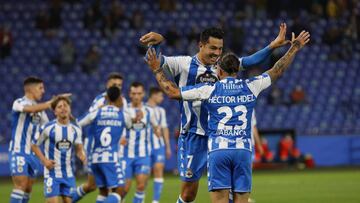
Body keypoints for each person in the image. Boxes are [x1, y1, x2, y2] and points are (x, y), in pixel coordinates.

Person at [145, 30, 310, 203]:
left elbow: (252, 60)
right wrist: (157, 43)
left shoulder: (222, 65)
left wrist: (271, 47)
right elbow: (155, 60)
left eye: (220, 49)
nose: (217, 53)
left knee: (227, 192)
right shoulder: (182, 64)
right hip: (195, 136)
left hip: (220, 139)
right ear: (201, 45)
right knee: (188, 194)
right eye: (213, 48)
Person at [9, 76, 68, 203]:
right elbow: (30, 109)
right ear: (30, 89)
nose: (43, 91)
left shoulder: (41, 111)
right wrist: (51, 102)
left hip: (33, 155)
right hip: (19, 151)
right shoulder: (18, 102)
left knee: (28, 189)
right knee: (21, 185)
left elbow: (49, 127)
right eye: (40, 88)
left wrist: (64, 115)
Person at [71, 72, 127, 202]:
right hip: (97, 147)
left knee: (100, 188)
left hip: (114, 148)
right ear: (107, 85)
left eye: (120, 85)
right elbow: (91, 119)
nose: (117, 87)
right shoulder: (100, 100)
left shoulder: (122, 100)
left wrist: (123, 135)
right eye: (114, 85)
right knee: (112, 188)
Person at [77, 86, 136, 203]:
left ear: (106, 97)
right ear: (120, 98)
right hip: (111, 159)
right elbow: (130, 125)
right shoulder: (123, 115)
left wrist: (78, 145)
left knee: (103, 191)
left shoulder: (96, 112)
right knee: (119, 191)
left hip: (94, 158)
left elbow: (78, 124)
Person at [31, 96, 86, 203]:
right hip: (52, 174)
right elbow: (33, 145)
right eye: (59, 107)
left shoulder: (76, 129)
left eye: (65, 105)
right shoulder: (47, 127)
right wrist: (44, 161)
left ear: (69, 108)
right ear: (55, 112)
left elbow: (79, 149)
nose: (63, 108)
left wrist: (84, 158)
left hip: (68, 174)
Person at [119, 82, 159, 203]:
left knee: (141, 186)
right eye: (134, 93)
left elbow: (155, 126)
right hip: (126, 156)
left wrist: (157, 131)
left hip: (143, 155)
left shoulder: (149, 111)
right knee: (124, 188)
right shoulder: (124, 111)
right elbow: (118, 128)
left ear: (143, 94)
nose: (136, 96)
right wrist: (120, 138)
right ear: (129, 95)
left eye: (139, 93)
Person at [146, 87, 172, 203]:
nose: (162, 98)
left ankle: (155, 201)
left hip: (159, 146)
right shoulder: (142, 108)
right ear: (154, 95)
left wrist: (167, 146)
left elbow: (164, 129)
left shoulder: (161, 111)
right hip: (144, 146)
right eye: (161, 96)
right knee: (143, 174)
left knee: (158, 170)